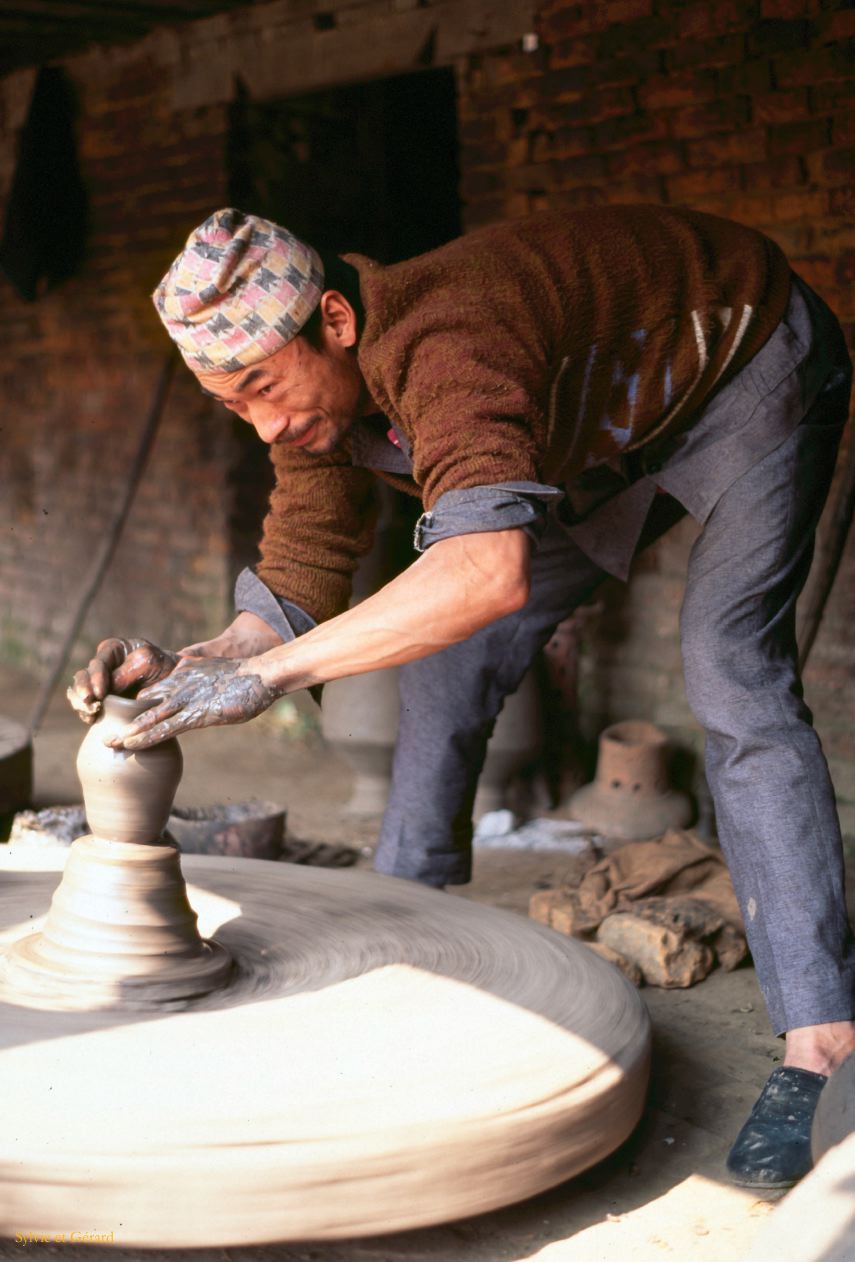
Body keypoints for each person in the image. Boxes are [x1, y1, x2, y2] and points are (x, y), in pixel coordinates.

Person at [68, 205, 855, 1188]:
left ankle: (823, 1045)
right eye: (234, 405)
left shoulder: (452, 334)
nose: (265, 422)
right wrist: (196, 663)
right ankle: (405, 937)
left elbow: (484, 570)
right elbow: (297, 579)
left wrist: (266, 676)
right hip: (598, 435)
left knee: (728, 665)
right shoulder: (317, 410)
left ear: (337, 322)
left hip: (743, 369)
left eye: (265, 385)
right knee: (447, 662)